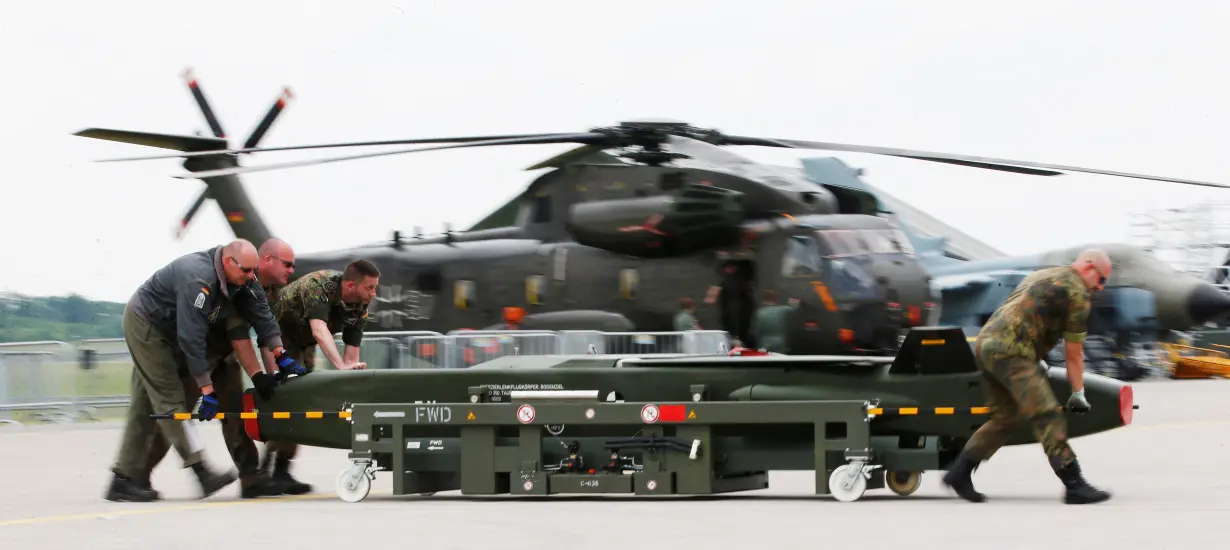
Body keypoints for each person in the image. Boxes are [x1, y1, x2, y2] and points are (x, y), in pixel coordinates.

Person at [104, 239, 306, 502]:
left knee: (151, 406)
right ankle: (200, 471)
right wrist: (207, 389)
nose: (250, 277)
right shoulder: (196, 279)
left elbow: (260, 320)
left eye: (252, 271)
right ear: (227, 262)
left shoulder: (246, 277)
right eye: (245, 271)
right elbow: (191, 338)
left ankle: (124, 479)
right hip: (151, 327)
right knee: (169, 402)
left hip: (199, 342)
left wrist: (279, 357)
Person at [942, 249, 1114, 505]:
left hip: (986, 345)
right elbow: (1074, 354)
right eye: (1102, 280)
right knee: (1046, 413)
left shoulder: (1043, 275)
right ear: (1089, 268)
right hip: (1012, 351)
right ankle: (1074, 484)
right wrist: (1078, 393)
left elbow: (1025, 314)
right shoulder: (1077, 294)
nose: (1100, 288)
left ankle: (960, 472)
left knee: (1006, 417)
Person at [260, 259, 381, 494]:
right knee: (284, 397)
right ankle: (263, 471)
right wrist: (339, 365)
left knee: (300, 401)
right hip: (277, 336)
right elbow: (319, 329)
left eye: (375, 287)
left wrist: (350, 370)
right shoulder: (320, 285)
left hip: (303, 342)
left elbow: (351, 355)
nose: (373, 294)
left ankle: (281, 471)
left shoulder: (360, 305)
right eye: (369, 287)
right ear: (349, 285)